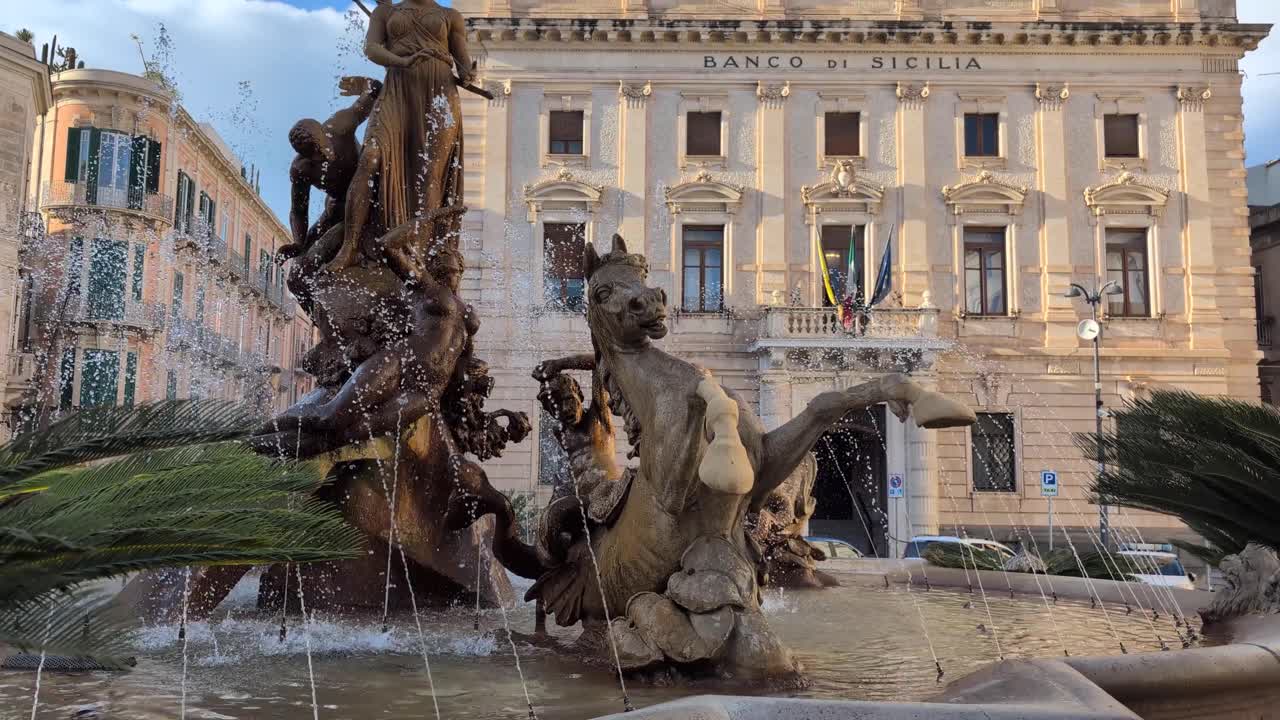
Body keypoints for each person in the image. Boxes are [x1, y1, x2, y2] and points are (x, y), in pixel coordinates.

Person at [325, 0, 473, 273]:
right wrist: (401, 60)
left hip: (439, 93)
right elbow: (371, 48)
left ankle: (420, 257)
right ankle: (350, 246)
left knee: (431, 178)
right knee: (370, 156)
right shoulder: (386, 11)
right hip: (397, 90)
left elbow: (463, 63)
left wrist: (467, 74)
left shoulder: (451, 16)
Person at [280, 76, 382, 261]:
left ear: (325, 132)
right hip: (339, 208)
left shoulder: (340, 124)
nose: (325, 156)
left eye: (324, 148)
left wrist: (363, 85)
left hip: (374, 191)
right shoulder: (300, 169)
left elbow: (376, 90)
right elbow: (298, 210)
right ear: (305, 156)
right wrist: (298, 242)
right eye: (316, 156)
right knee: (303, 264)